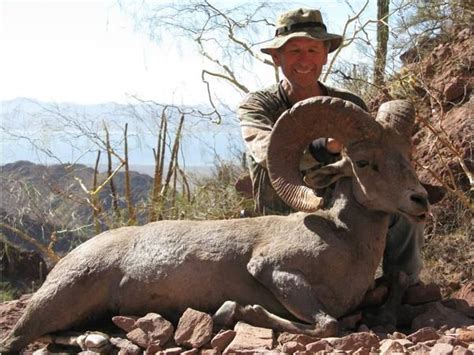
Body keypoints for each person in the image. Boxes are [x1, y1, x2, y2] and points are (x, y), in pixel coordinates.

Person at [237, 8, 425, 286]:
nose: (305, 59)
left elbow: (376, 160)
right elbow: (266, 150)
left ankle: (402, 288)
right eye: (294, 51)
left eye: (313, 50)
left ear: (325, 54)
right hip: (286, 214)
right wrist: (325, 147)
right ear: (276, 58)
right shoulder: (258, 105)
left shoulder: (351, 106)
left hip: (345, 211)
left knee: (406, 211)